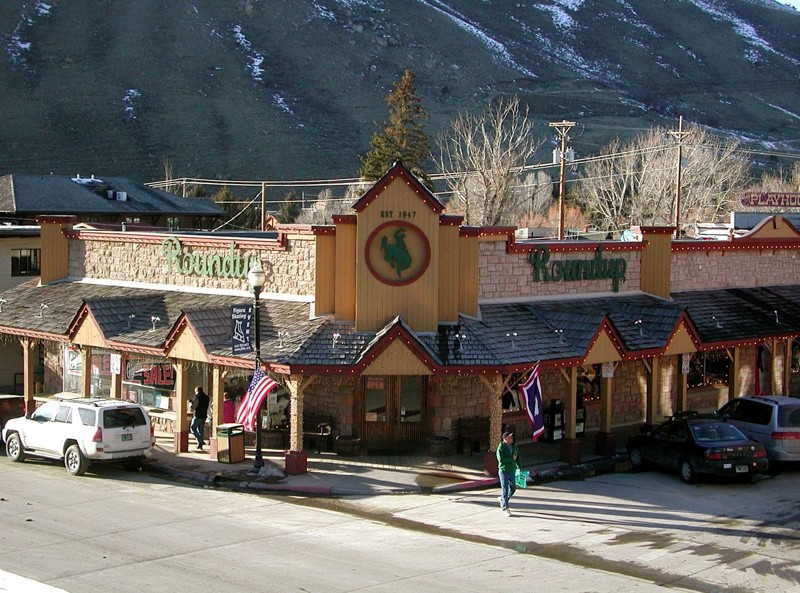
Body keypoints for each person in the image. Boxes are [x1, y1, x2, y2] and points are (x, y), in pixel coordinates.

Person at [496, 431, 520, 517]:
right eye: (510, 437)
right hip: (504, 471)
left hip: (512, 470)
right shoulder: (501, 448)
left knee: (513, 488)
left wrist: (519, 466)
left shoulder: (514, 447)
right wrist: (511, 459)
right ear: (505, 438)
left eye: (512, 437)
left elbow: (517, 457)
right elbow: (501, 460)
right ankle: (505, 508)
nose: (512, 439)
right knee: (505, 489)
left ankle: (503, 499)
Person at [190, 386, 210, 451]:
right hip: (204, 415)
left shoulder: (197, 397)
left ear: (197, 391)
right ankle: (200, 445)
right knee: (200, 430)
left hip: (197, 415)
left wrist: (191, 403)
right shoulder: (207, 398)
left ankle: (200, 440)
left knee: (192, 428)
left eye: (195, 391)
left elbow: (193, 407)